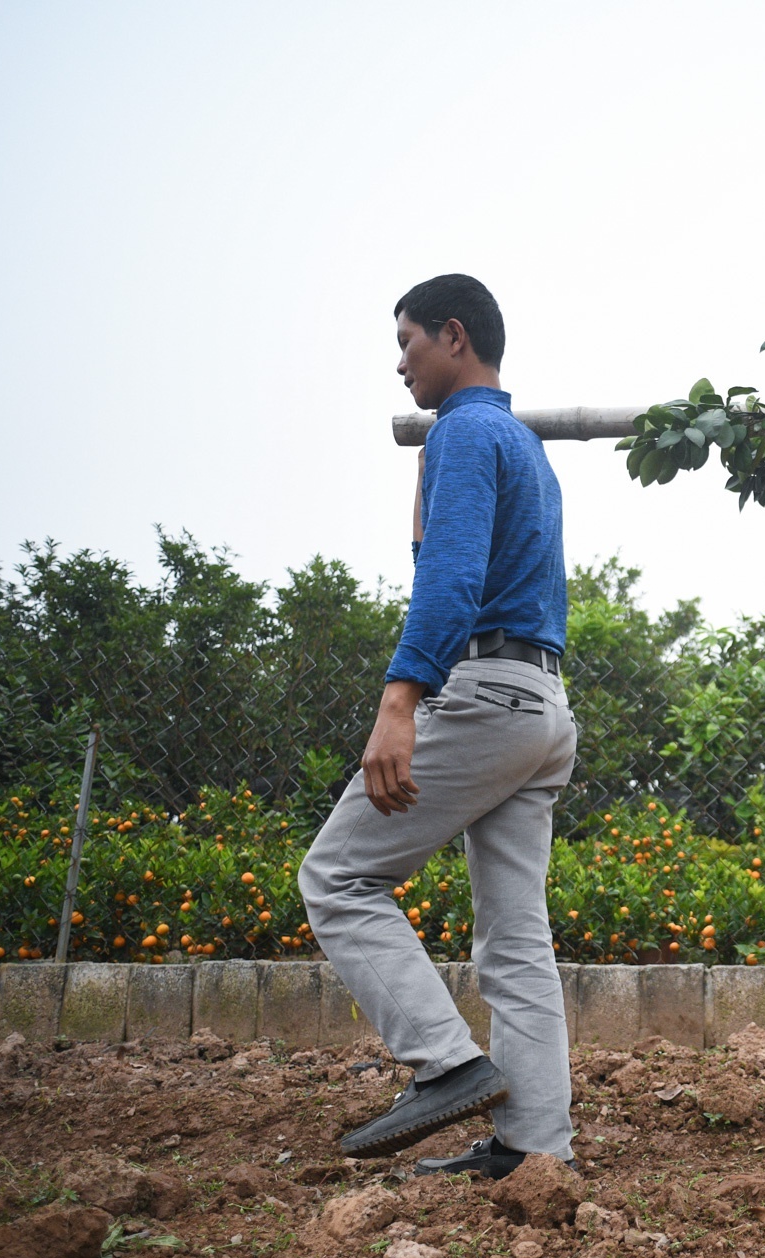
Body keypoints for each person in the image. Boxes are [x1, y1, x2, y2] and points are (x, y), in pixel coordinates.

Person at [297, 274, 577, 1179]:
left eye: (409, 341)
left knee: (337, 877)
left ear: (453, 336)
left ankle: (447, 1064)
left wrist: (399, 702)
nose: (399, 361)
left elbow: (450, 582)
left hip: (485, 693)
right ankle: (536, 1150)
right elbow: (467, 562)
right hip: (542, 705)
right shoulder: (523, 444)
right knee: (516, 939)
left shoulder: (463, 430)